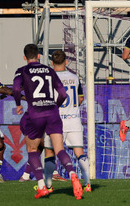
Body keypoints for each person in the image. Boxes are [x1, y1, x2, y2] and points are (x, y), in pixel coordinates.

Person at [12, 44, 83, 199]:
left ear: (25, 57)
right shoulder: (49, 70)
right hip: (52, 112)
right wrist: (54, 106)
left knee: (32, 150)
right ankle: (72, 173)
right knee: (59, 149)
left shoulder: (22, 71)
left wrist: (18, 104)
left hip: (35, 113)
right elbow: (63, 94)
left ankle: (42, 186)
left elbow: (16, 89)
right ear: (38, 56)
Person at [43, 50, 91, 192]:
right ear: (66, 62)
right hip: (74, 120)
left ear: (51, 63)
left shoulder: (49, 78)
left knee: (50, 152)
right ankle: (87, 184)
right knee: (79, 152)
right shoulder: (74, 78)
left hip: (55, 121)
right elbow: (80, 98)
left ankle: (49, 186)